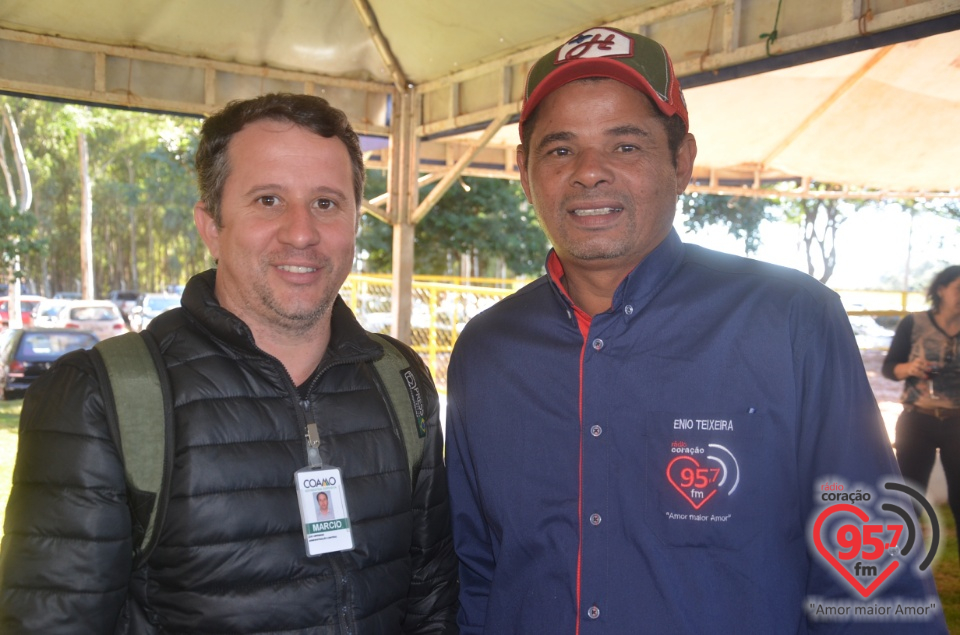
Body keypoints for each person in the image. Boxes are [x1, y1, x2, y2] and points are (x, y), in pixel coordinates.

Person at [445, 27, 946, 634]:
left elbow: (871, 576)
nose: (589, 173)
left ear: (681, 162)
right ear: (524, 173)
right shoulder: (488, 350)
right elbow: (476, 572)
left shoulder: (789, 321)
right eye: (559, 150)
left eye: (625, 146)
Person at [0, 93, 458, 634]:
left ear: (356, 222)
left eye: (326, 203)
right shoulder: (104, 397)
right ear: (211, 225)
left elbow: (431, 603)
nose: (302, 232)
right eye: (268, 200)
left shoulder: (399, 380)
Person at [882, 266, 960, 542]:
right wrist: (911, 368)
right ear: (941, 290)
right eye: (958, 289)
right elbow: (889, 368)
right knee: (908, 499)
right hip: (917, 420)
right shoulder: (914, 323)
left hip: (957, 423)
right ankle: (902, 573)